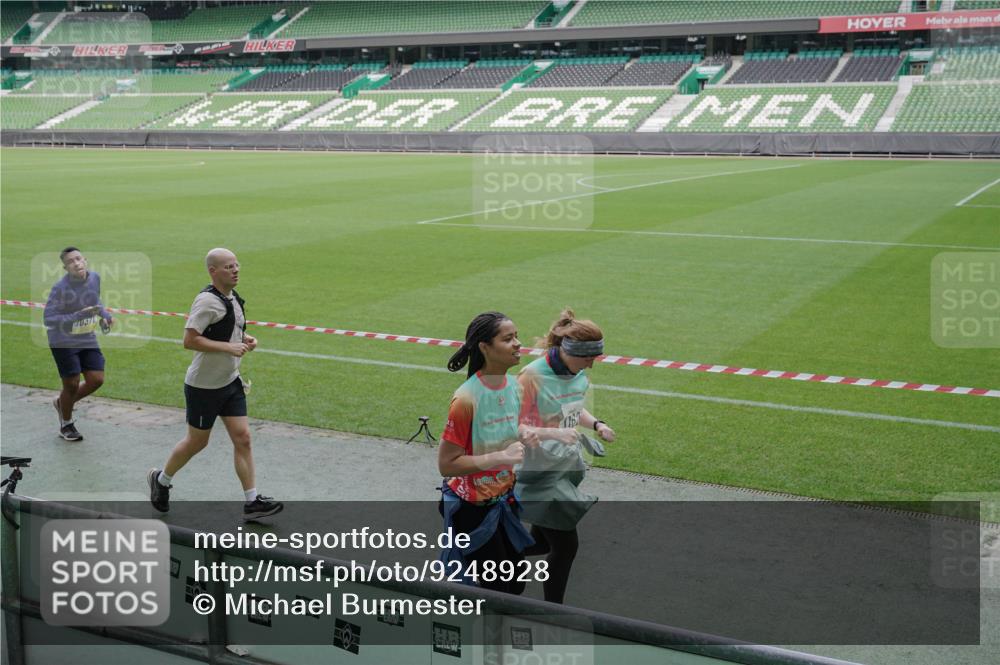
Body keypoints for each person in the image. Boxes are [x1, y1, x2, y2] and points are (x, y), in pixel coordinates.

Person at [147, 248, 282, 521]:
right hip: (203, 387)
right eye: (229, 266)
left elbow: (232, 330)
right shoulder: (206, 302)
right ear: (213, 271)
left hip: (230, 382)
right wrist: (227, 348)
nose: (236, 270)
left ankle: (252, 501)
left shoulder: (232, 299)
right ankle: (161, 480)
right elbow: (189, 340)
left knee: (243, 438)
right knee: (197, 442)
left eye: (236, 265)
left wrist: (246, 340)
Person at [517, 309, 616, 604]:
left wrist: (597, 424)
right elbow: (514, 424)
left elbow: (573, 408)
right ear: (569, 350)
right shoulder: (532, 375)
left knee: (539, 541)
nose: (591, 365)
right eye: (588, 358)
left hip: (565, 467)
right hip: (538, 471)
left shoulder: (578, 374)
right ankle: (553, 609)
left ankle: (493, 554)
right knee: (565, 545)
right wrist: (555, 435)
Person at [437, 311, 540, 595]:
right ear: (484, 347)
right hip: (472, 511)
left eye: (516, 336)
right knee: (499, 590)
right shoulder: (466, 399)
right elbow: (447, 464)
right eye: (508, 339)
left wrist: (523, 433)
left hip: (502, 502)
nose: (518, 343)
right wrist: (501, 457)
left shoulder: (512, 387)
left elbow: (505, 427)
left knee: (513, 584)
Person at [44, 247, 114, 442]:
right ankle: (66, 424)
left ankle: (62, 403)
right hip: (62, 340)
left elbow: (95, 301)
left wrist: (105, 315)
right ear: (66, 268)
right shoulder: (60, 289)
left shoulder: (95, 278)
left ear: (85, 260)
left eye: (78, 259)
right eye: (70, 262)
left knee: (96, 379)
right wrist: (78, 316)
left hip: (86, 336)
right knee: (72, 384)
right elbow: (48, 319)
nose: (76, 263)